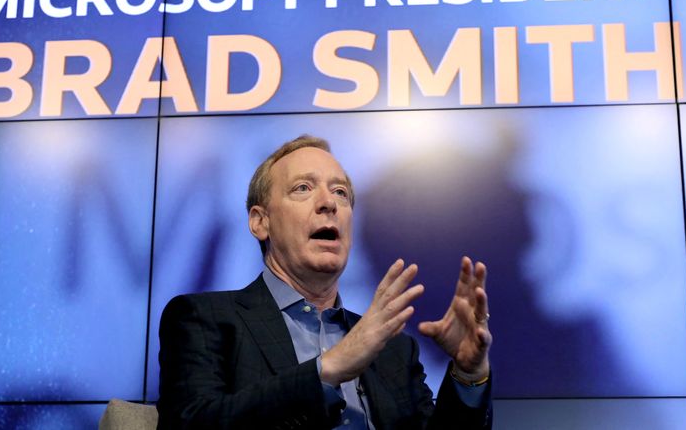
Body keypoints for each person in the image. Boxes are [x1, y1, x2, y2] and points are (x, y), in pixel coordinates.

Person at [157, 135, 493, 429]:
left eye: (341, 193)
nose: (329, 203)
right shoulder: (205, 319)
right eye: (303, 188)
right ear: (260, 222)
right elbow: (192, 422)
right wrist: (328, 369)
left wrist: (467, 374)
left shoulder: (393, 349)